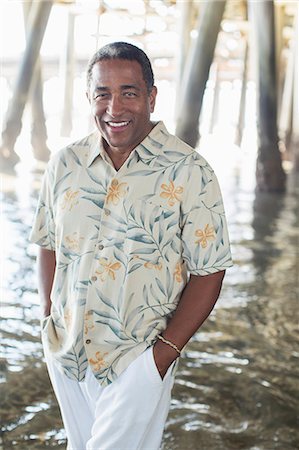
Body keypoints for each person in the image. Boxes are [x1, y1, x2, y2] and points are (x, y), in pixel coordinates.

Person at [30, 41, 233, 450]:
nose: (114, 107)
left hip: (138, 358)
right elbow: (48, 241)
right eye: (102, 93)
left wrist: (162, 357)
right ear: (89, 98)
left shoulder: (190, 171)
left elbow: (209, 271)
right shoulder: (65, 164)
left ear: (151, 97)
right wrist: (48, 316)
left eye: (129, 92)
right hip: (67, 352)